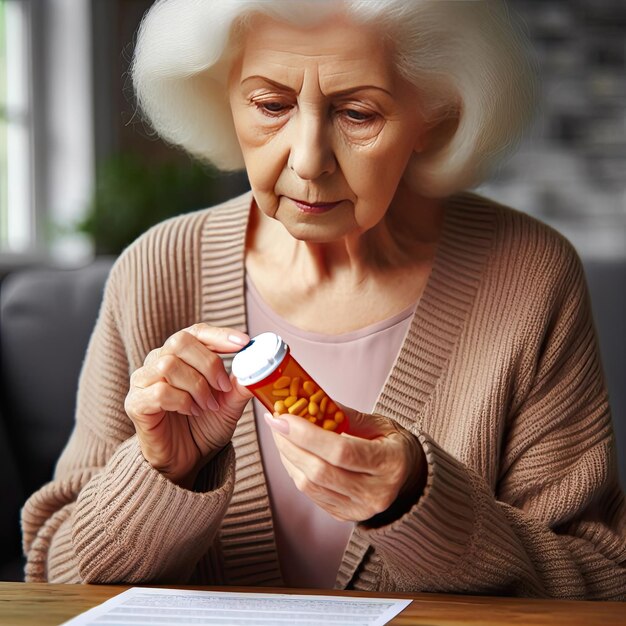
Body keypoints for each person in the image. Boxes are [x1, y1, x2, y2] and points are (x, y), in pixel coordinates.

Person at [22, 0, 626, 598]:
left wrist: (418, 498)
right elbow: (53, 573)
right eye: (270, 105)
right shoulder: (156, 270)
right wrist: (161, 475)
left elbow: (601, 578)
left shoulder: (529, 275)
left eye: (358, 113)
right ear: (219, 97)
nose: (309, 160)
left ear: (433, 115)